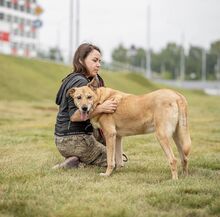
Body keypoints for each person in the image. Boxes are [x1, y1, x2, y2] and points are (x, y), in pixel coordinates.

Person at [53, 43, 118, 169]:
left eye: (100, 61)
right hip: (74, 139)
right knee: (114, 160)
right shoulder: (81, 83)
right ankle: (77, 164)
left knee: (112, 150)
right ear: (81, 61)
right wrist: (102, 108)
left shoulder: (74, 78)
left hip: (63, 139)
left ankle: (75, 159)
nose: (98, 64)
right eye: (94, 60)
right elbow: (74, 117)